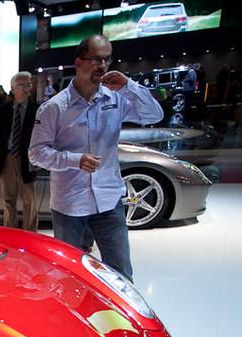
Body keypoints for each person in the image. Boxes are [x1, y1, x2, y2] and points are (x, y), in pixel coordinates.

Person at [28, 35, 163, 280]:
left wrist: (128, 86)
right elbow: (36, 153)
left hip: (109, 201)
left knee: (121, 274)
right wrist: (75, 160)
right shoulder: (55, 107)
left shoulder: (116, 99)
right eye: (96, 59)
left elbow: (154, 115)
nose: (102, 65)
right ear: (79, 62)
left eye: (107, 60)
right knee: (69, 275)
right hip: (71, 204)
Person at [0, 72, 39, 231]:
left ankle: (30, 233)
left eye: (28, 85)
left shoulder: (38, 109)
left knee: (29, 199)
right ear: (13, 89)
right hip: (7, 158)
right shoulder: (2, 110)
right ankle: (10, 232)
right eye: (22, 85)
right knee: (8, 199)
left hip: (27, 158)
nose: (26, 89)